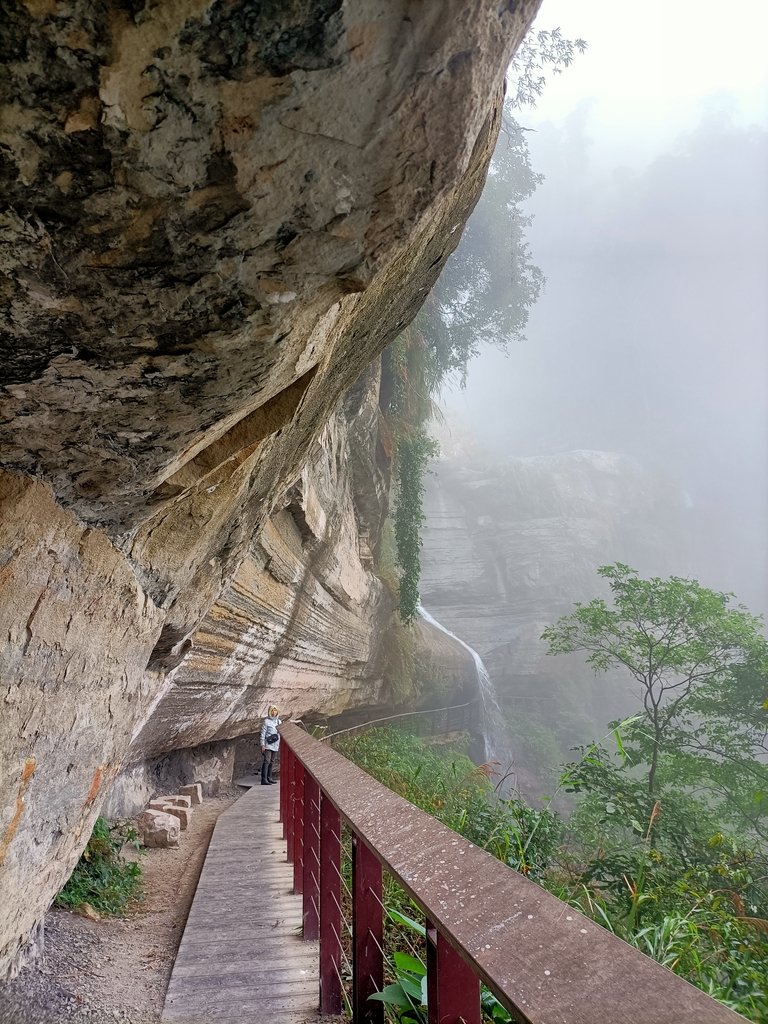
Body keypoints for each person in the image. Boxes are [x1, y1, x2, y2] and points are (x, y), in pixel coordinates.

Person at [260, 705, 281, 785]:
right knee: (267, 761)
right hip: (268, 744)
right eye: (272, 710)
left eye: (275, 710)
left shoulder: (279, 722)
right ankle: (264, 779)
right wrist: (262, 745)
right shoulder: (266, 721)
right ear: (270, 712)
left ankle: (269, 777)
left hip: (275, 744)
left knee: (272, 761)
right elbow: (263, 733)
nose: (274, 712)